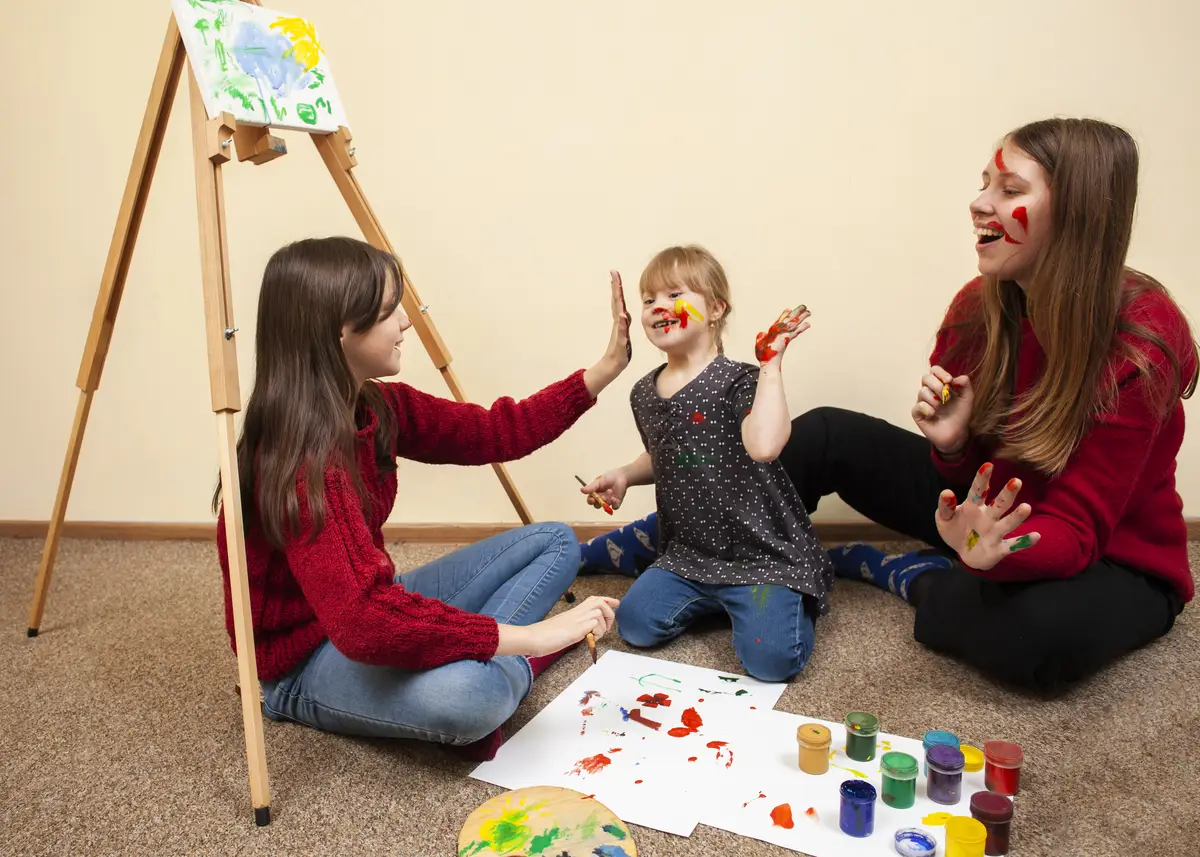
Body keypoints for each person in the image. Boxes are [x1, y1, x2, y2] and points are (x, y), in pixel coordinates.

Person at [584, 118, 1197, 694]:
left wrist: (987, 554)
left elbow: (1079, 529)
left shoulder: (1142, 339)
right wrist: (953, 447)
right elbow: (962, 480)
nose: (978, 202)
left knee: (1026, 640)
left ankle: (905, 572)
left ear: (1077, 216)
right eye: (984, 183)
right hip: (981, 509)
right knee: (818, 434)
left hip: (1104, 552)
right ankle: (675, 540)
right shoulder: (975, 309)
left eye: (1008, 188)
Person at [213, 236, 631, 761]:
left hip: (367, 604)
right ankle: (505, 667)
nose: (406, 322)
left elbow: (495, 432)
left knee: (555, 541)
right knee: (473, 698)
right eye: (390, 310)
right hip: (304, 660)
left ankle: (488, 659)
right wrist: (538, 638)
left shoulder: (377, 407)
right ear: (341, 329)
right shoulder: (300, 461)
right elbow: (364, 624)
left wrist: (605, 369)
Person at [579, 245, 834, 682]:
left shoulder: (739, 380)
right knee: (636, 626)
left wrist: (770, 367)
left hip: (760, 555)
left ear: (715, 309)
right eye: (648, 300)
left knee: (770, 662)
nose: (659, 307)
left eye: (674, 295)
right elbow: (670, 455)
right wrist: (624, 474)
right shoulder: (643, 392)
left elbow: (765, 445)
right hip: (690, 554)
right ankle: (718, 601)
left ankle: (800, 587)